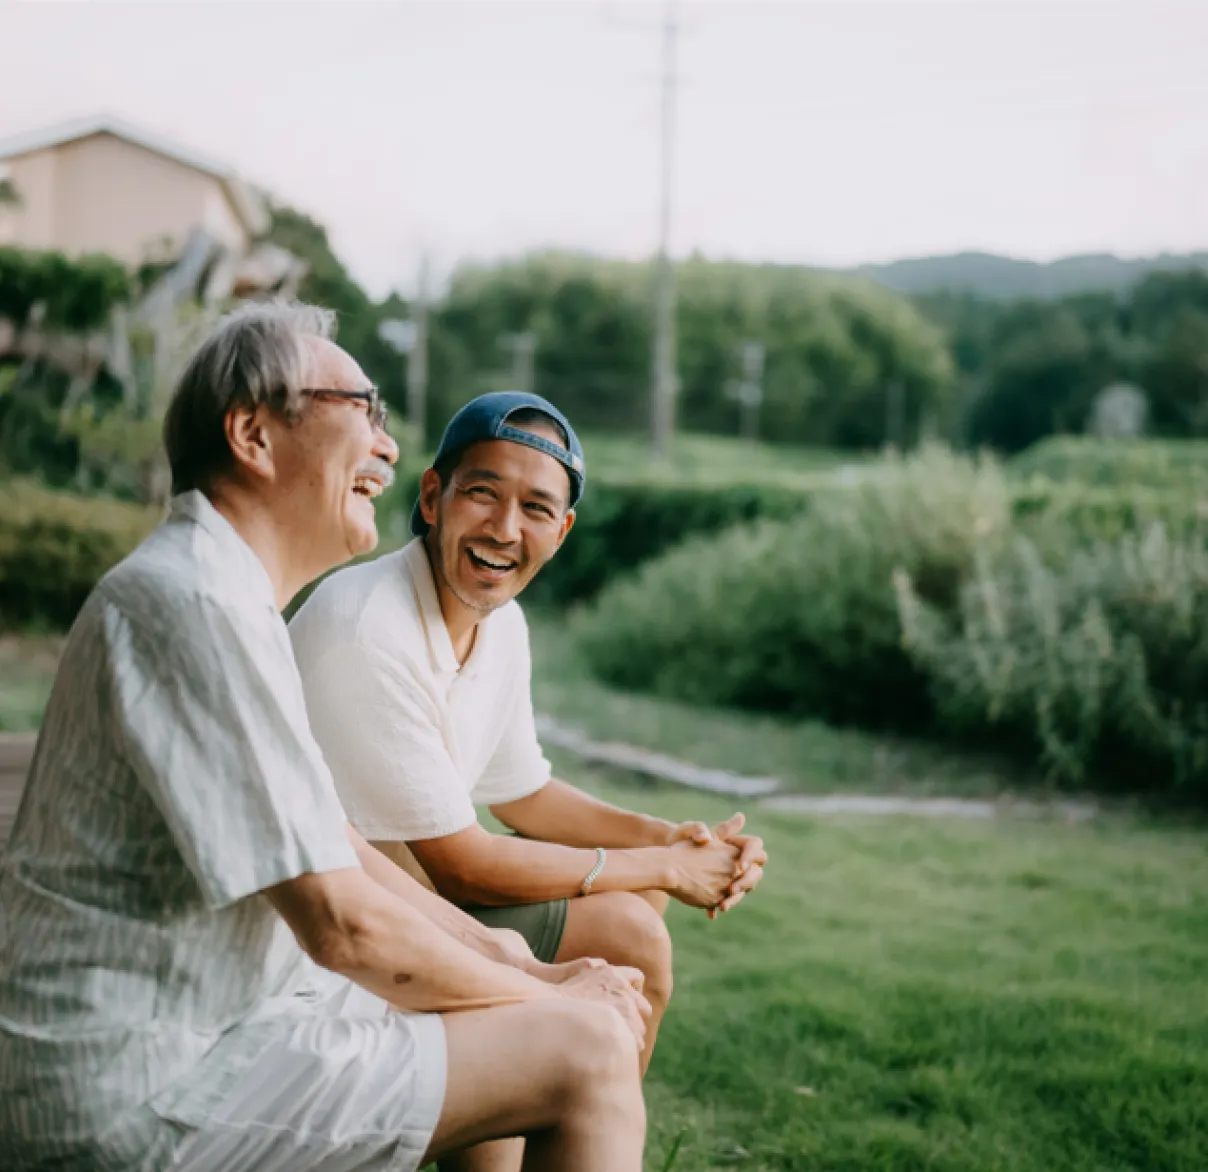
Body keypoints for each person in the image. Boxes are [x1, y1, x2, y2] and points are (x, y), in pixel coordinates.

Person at [0, 304, 651, 1172]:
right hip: (139, 1079)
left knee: (523, 1004)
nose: (387, 448)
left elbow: (334, 845)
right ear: (254, 434)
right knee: (590, 1050)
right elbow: (343, 926)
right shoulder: (192, 605)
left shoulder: (230, 600)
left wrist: (506, 957)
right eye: (364, 409)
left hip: (215, 1024)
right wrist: (546, 987)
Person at [289, 390, 769, 1092]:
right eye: (482, 493)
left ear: (563, 529)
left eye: (537, 509)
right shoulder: (369, 625)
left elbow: (524, 793)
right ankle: (583, 1114)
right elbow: (464, 868)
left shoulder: (500, 623)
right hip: (331, 925)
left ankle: (564, 1124)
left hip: (410, 898)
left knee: (639, 908)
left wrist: (678, 842)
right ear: (433, 498)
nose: (504, 528)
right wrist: (659, 865)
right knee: (632, 931)